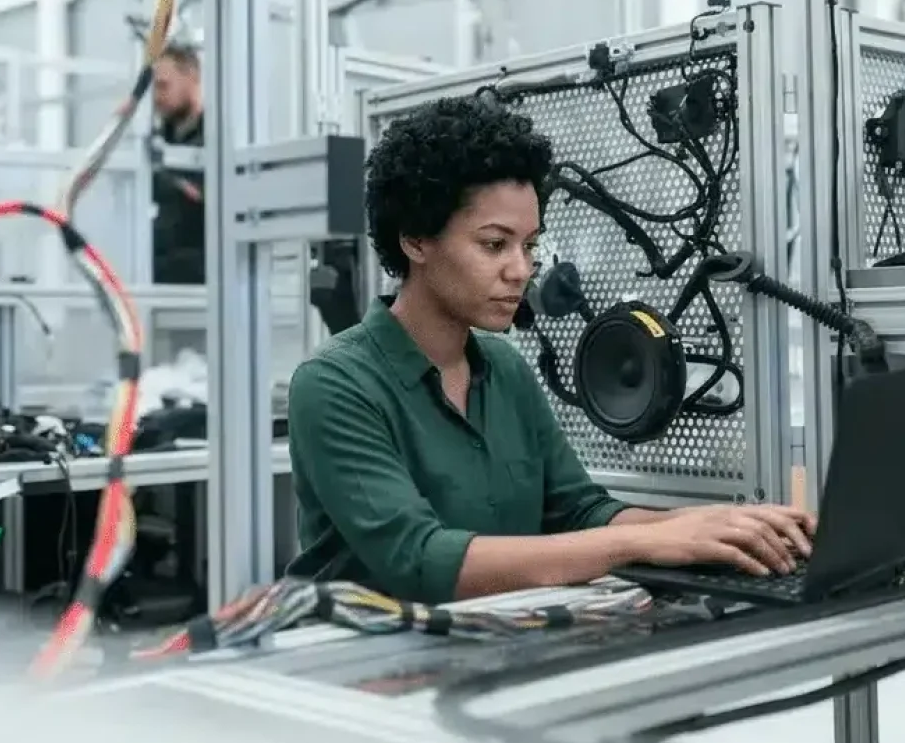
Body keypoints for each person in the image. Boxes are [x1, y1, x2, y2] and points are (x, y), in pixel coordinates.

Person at [285, 95, 814, 605]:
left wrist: (704, 527)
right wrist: (645, 541)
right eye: (494, 245)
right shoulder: (335, 384)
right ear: (416, 240)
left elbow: (577, 510)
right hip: (371, 656)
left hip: (488, 645)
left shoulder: (504, 369)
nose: (521, 270)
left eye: (530, 245)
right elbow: (420, 560)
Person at [149, 44, 205, 285]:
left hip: (201, 278)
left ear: (191, 78)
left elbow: (200, 197)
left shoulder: (217, 138)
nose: (156, 97)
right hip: (158, 272)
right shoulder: (158, 141)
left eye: (163, 86)